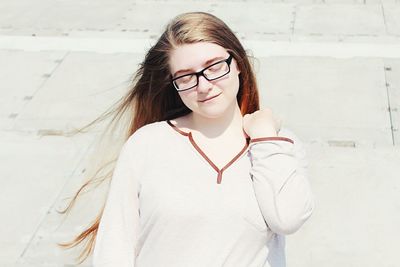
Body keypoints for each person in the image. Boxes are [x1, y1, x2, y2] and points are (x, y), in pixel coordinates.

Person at [61, 11, 314, 267]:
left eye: (214, 67)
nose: (203, 86)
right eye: (185, 77)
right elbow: (115, 247)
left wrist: (265, 137)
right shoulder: (147, 144)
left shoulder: (278, 145)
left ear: (237, 63)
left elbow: (289, 217)